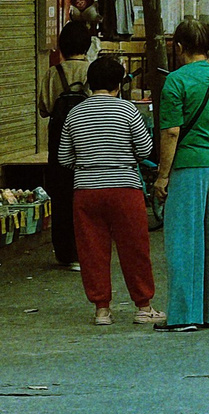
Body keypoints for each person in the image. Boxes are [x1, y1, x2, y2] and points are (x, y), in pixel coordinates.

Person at [55, 53, 163, 326]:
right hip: (125, 188)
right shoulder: (128, 111)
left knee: (92, 250)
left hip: (86, 190)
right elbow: (146, 150)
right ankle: (143, 306)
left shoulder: (74, 113)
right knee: (135, 248)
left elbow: (64, 158)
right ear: (118, 85)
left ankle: (102, 308)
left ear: (90, 84)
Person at [152, 16, 209, 331]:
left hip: (188, 167)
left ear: (179, 47)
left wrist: (162, 176)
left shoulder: (176, 81)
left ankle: (185, 314)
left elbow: (172, 132)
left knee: (184, 240)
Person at [40, 21, 97, 269]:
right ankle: (86, 250)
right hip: (88, 139)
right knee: (86, 195)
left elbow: (43, 108)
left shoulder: (53, 73)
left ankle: (65, 252)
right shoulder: (94, 72)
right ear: (87, 45)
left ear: (62, 46)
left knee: (61, 195)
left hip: (59, 136)